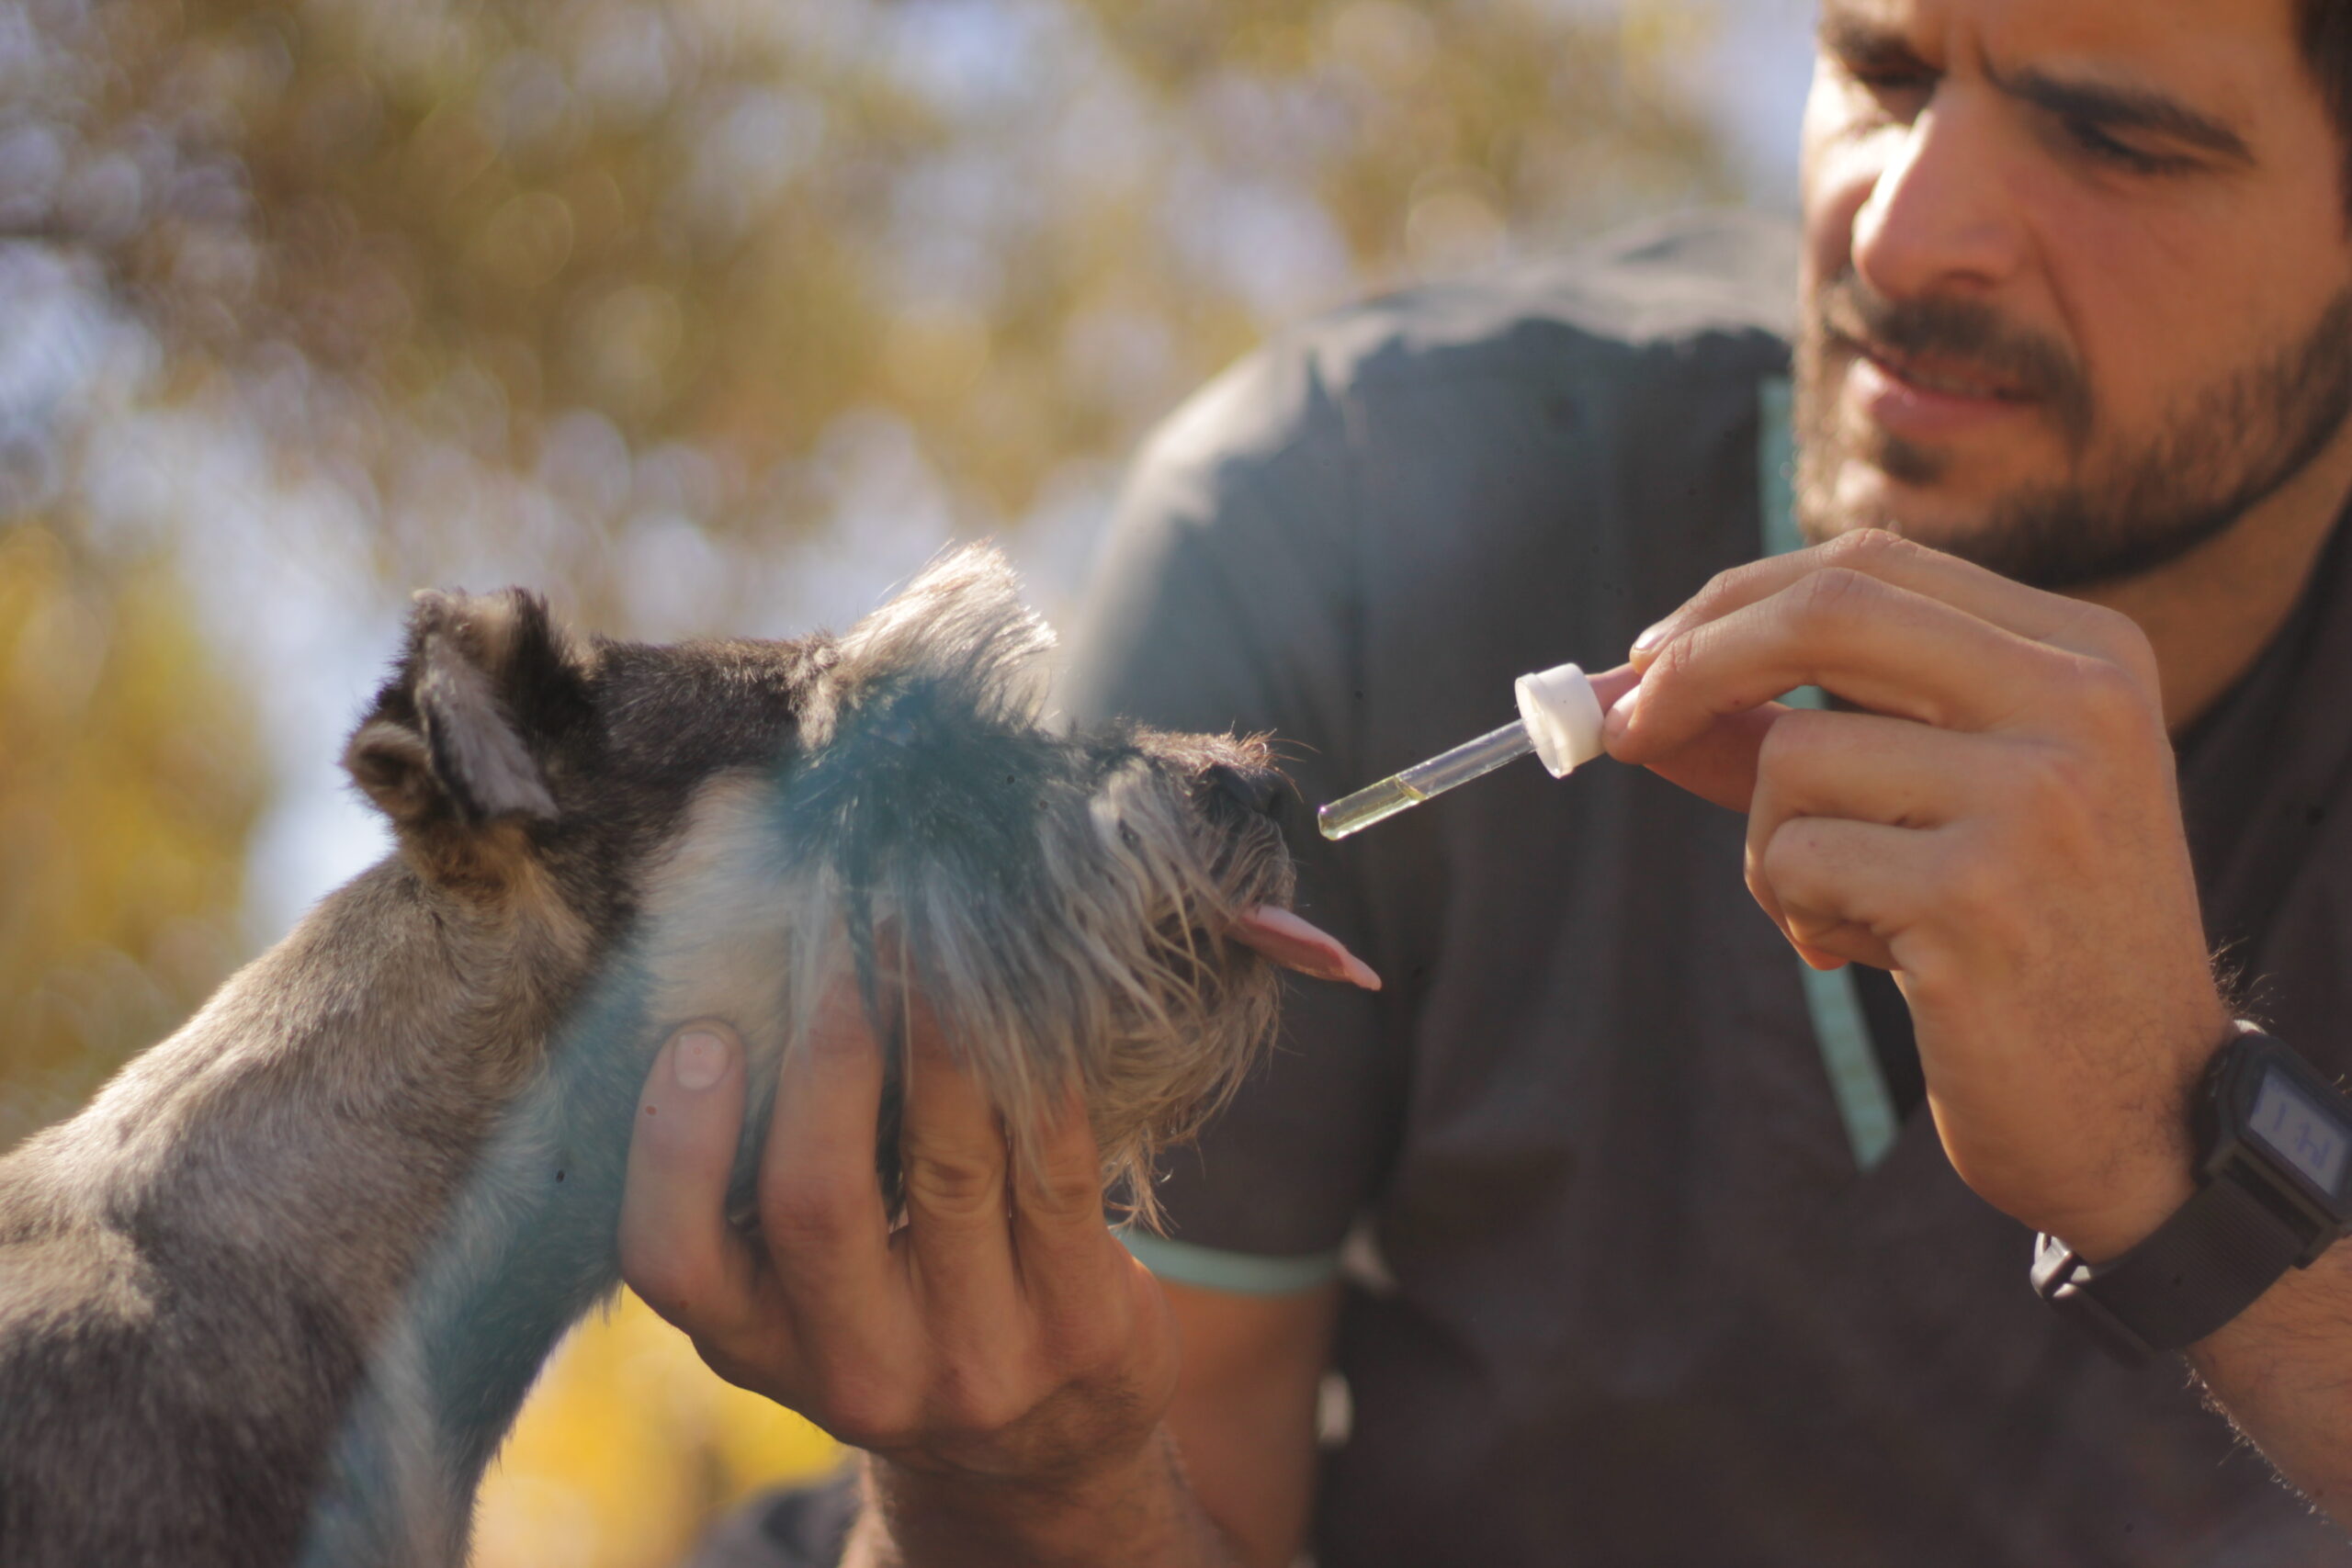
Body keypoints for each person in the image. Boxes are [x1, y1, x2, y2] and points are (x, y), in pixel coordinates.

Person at [617, 0, 2352, 1562]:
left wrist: (2183, 1158)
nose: (1902, 231)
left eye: (2113, 137)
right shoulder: (1351, 530)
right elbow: (1134, 1486)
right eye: (1878, 70)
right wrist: (1033, 1477)